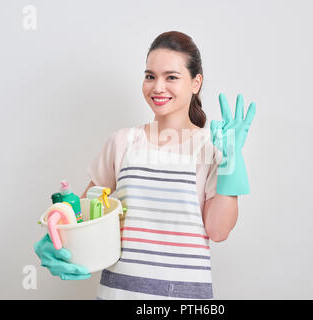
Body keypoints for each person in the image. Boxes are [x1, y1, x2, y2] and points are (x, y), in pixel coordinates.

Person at [34, 30, 256, 299]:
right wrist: (59, 238)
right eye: (150, 76)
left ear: (196, 82)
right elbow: (83, 216)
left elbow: (218, 231)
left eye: (171, 77)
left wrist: (231, 161)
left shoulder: (212, 146)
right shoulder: (123, 142)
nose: (157, 87)